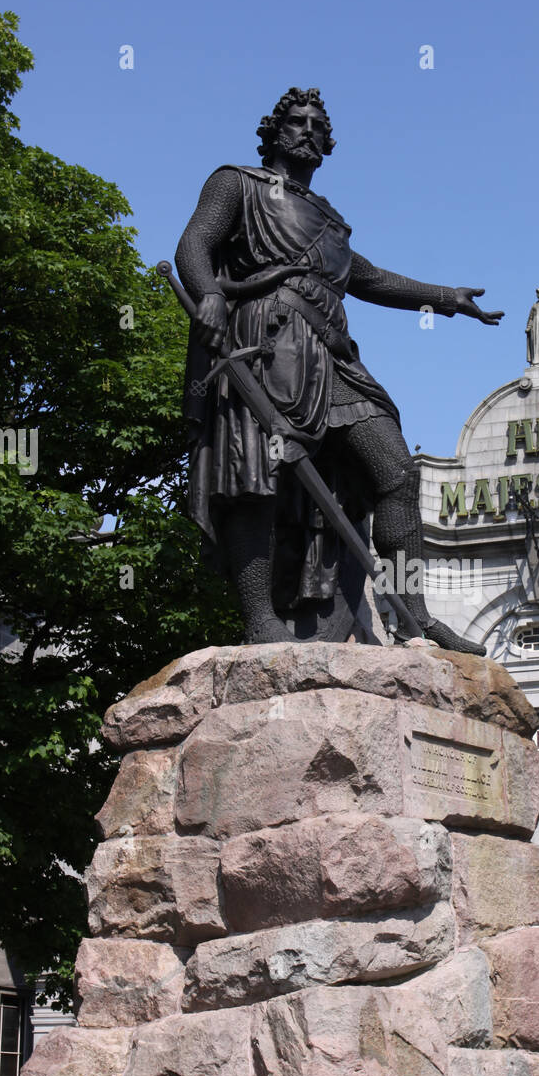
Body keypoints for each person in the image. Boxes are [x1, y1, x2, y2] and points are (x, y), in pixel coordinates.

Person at [175, 87, 503, 653]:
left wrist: (444, 296)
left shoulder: (330, 222)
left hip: (331, 358)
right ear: (274, 132)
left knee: (396, 472)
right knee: (257, 480)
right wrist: (206, 294)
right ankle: (260, 620)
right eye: (295, 122)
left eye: (316, 125)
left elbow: (370, 279)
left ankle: (414, 616)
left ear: (327, 144)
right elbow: (193, 245)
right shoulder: (236, 183)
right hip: (265, 344)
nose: (306, 130)